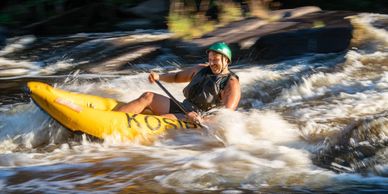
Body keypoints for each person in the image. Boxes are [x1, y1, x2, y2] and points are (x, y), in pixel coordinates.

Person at [116, 42, 241, 124]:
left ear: (226, 60)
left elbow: (226, 116)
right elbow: (176, 77)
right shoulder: (200, 69)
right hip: (184, 107)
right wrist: (159, 77)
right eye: (210, 59)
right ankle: (114, 119)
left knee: (163, 119)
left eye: (216, 60)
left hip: (198, 118)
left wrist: (201, 120)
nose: (212, 63)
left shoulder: (231, 83)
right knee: (148, 96)